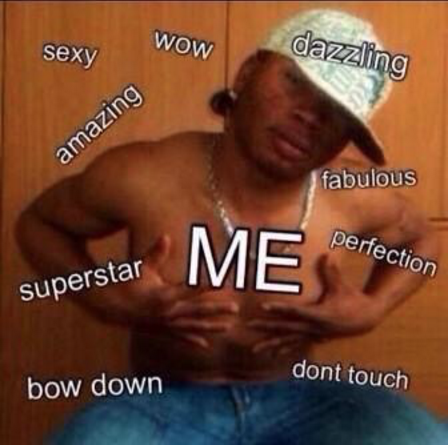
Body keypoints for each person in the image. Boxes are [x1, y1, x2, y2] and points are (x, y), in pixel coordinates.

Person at [16, 9, 447, 445]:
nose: (310, 116)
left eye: (337, 112)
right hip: (162, 398)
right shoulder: (144, 174)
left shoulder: (352, 193)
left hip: (300, 397)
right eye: (296, 82)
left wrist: (372, 308)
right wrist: (107, 301)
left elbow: (421, 240)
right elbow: (40, 224)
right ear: (247, 74)